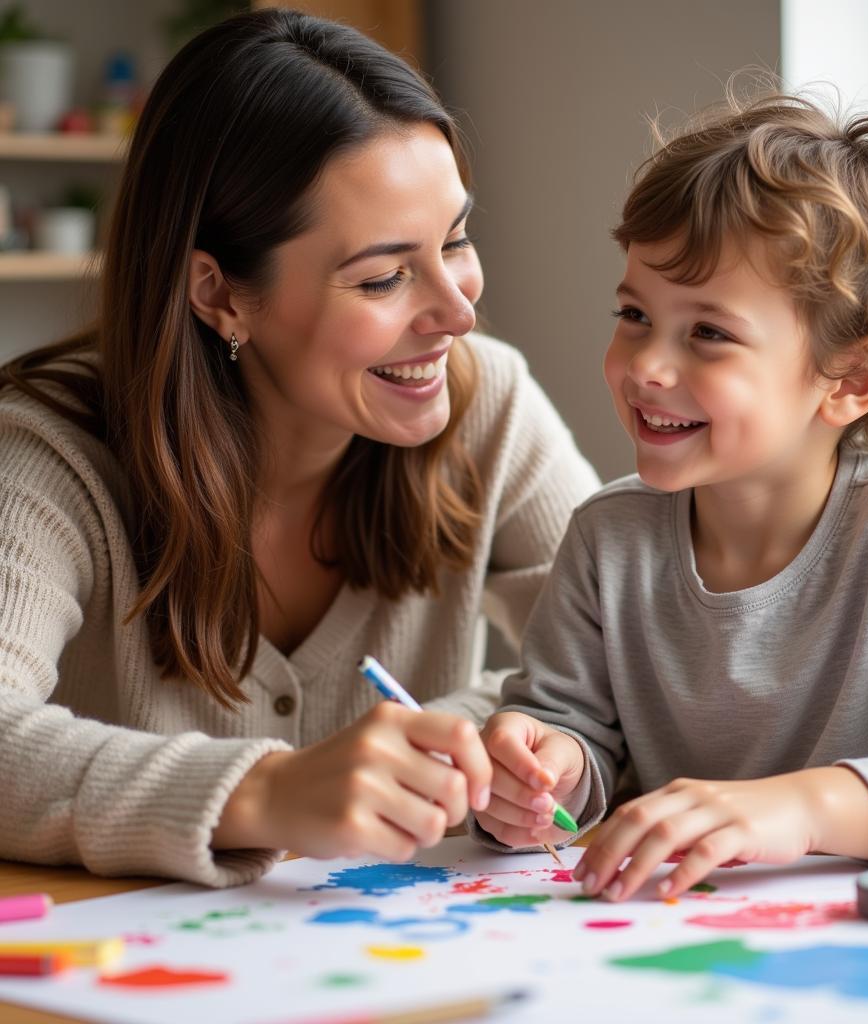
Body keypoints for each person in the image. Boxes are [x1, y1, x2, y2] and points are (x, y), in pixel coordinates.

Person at [0, 9, 598, 887]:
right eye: (384, 276)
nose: (458, 312)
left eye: (456, 241)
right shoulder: (48, 453)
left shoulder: (489, 402)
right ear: (220, 294)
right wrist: (267, 791)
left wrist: (514, 738)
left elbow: (637, 659)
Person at [471, 90, 868, 901]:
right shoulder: (606, 538)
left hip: (863, 943)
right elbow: (572, 732)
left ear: (853, 378)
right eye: (633, 313)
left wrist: (802, 807)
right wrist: (537, 774)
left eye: (708, 333)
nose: (646, 366)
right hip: (672, 942)